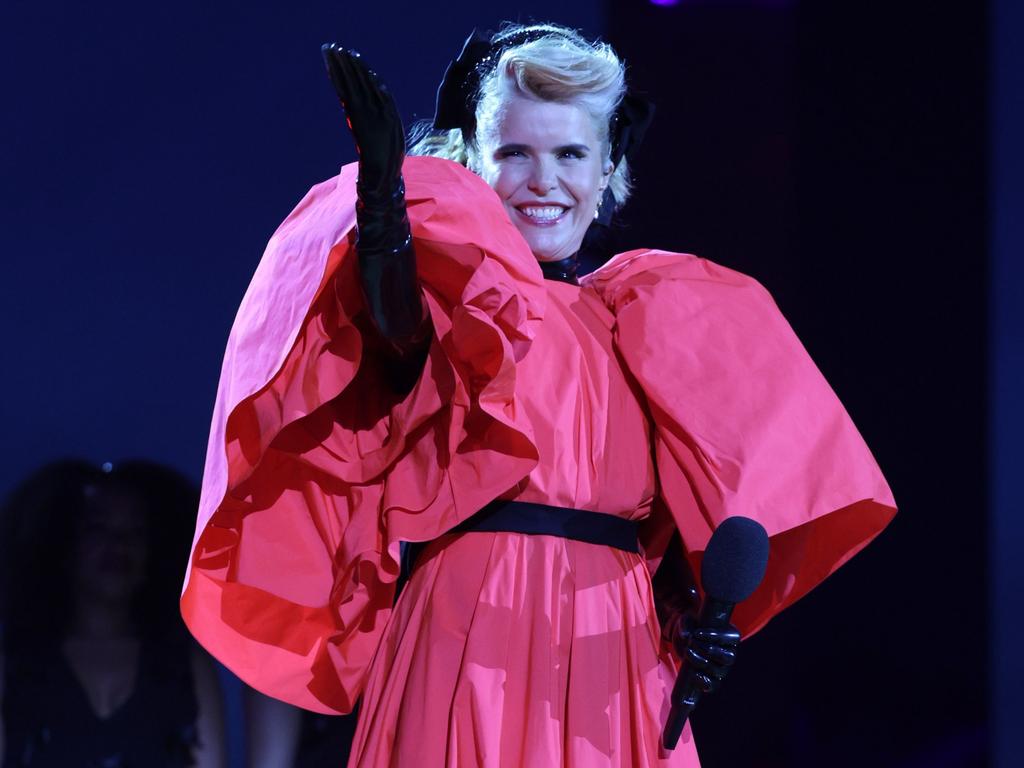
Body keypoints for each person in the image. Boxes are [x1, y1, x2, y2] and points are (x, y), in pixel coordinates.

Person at [181, 23, 896, 766]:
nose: (543, 180)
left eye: (569, 155)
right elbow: (397, 329)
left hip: (613, 650)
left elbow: (681, 526)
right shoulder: (455, 303)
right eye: (515, 153)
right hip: (468, 631)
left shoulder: (650, 318)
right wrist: (387, 217)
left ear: (608, 165)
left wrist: (690, 619)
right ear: (473, 166)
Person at [1, 460, 225, 768]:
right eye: (98, 527)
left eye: (134, 531)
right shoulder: (16, 662)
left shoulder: (184, 663)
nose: (118, 545)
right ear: (65, 543)